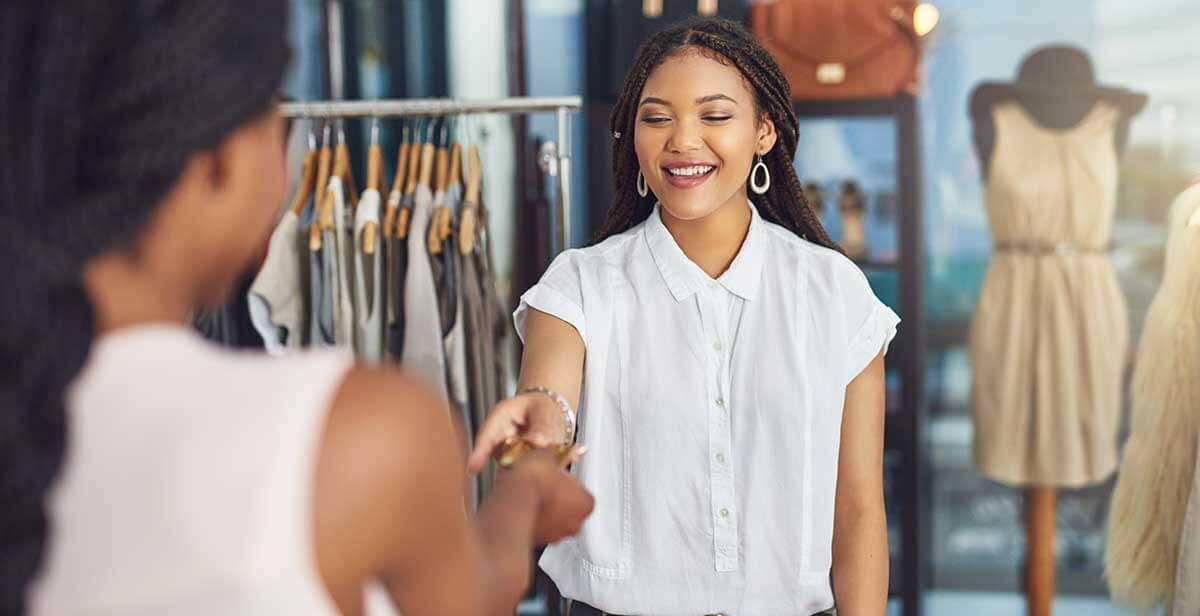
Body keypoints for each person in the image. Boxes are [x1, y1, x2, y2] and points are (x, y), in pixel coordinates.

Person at [0, 2, 592, 615]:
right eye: (277, 121)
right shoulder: (357, 433)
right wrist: (526, 494)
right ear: (221, 163)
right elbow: (469, 595)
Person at [470, 18, 898, 616]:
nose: (683, 141)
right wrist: (544, 416)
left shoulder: (834, 292)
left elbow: (858, 512)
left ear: (764, 132)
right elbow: (550, 396)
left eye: (715, 117)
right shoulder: (582, 283)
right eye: (656, 117)